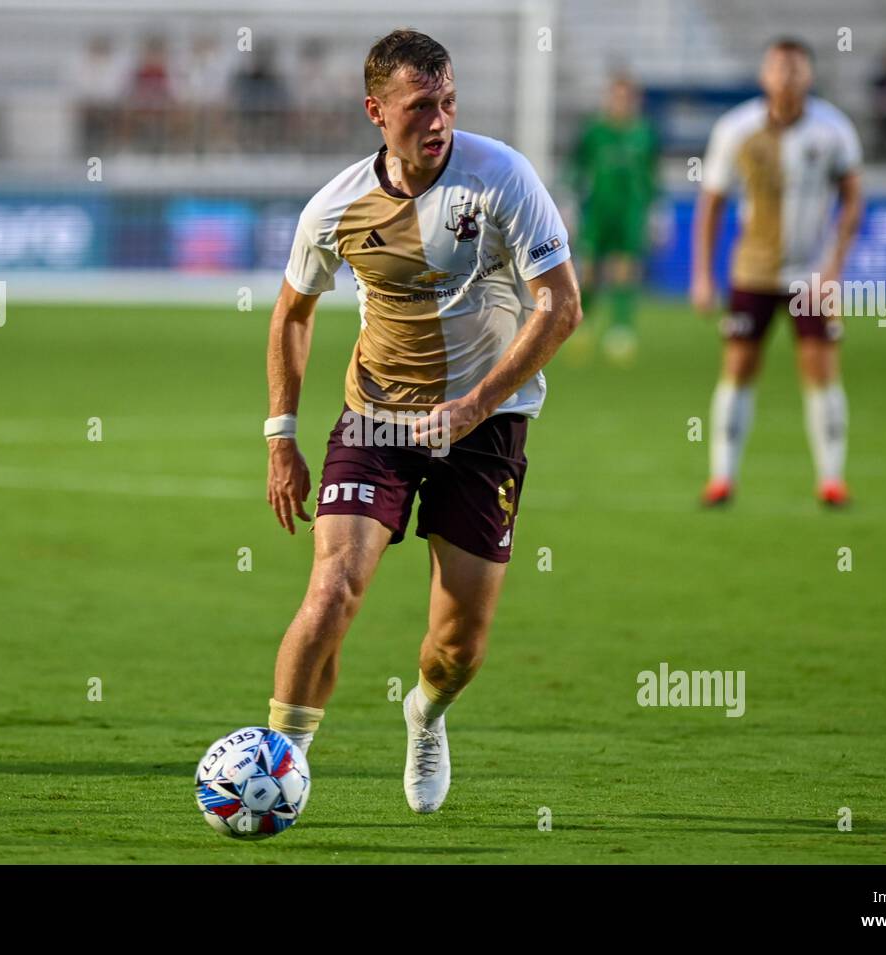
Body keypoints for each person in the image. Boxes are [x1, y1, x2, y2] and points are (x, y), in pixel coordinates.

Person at [262, 29, 582, 813]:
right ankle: (278, 770)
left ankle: (426, 713)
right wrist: (281, 436)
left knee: (457, 648)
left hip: (487, 427)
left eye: (447, 101)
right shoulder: (335, 207)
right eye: (419, 106)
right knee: (333, 588)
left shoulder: (502, 175)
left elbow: (563, 307)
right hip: (375, 422)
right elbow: (293, 313)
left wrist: (473, 406)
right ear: (377, 111)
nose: (438, 119)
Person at [690, 37, 863, 507]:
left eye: (796, 69)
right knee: (739, 368)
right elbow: (711, 204)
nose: (787, 77)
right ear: (765, 76)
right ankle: (722, 477)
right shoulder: (736, 129)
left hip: (811, 276)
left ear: (809, 76)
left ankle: (831, 479)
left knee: (820, 368)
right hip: (753, 271)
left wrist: (834, 267)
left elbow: (853, 197)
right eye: (779, 69)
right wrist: (703, 275)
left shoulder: (833, 130)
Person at [566, 73, 658, 365]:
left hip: (631, 211)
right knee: (591, 269)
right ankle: (585, 322)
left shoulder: (645, 133)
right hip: (598, 210)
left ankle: (621, 329)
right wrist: (570, 202)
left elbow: (651, 175)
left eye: (626, 97)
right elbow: (577, 168)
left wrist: (658, 209)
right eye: (616, 97)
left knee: (625, 269)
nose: (621, 103)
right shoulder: (595, 132)